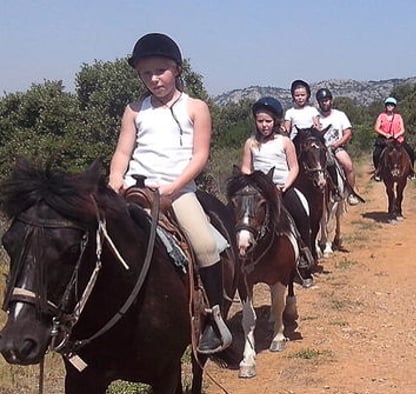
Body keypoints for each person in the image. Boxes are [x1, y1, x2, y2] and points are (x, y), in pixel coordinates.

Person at [108, 33, 232, 354]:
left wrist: (174, 187)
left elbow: (200, 156)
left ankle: (213, 320)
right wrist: (114, 179)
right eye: (146, 73)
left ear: (176, 69)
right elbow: (123, 152)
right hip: (136, 189)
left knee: (205, 246)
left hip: (177, 191)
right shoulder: (134, 110)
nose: (153, 78)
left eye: (160, 70)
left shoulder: (196, 107)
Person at [240, 96, 314, 286]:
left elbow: (294, 168)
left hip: (282, 188)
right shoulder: (250, 143)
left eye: (268, 121)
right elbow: (246, 169)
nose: (264, 125)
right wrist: (250, 185)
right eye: (260, 121)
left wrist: (285, 186)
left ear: (275, 121)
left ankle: (304, 257)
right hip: (258, 192)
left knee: (301, 214)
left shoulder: (285, 142)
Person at [315, 88, 361, 206]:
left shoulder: (340, 115)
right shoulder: (316, 118)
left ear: (331, 101)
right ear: (319, 103)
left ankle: (351, 192)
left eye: (326, 100)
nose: (325, 103)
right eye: (322, 101)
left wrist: (337, 144)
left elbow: (348, 133)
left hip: (337, 147)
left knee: (348, 165)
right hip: (321, 149)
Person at [373, 96, 416, 181]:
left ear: (394, 107)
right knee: (376, 154)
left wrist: (397, 134)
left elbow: (402, 129)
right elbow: (376, 128)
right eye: (388, 104)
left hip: (398, 140)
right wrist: (386, 134)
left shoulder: (398, 117)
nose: (390, 106)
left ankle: (411, 171)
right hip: (384, 140)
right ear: (386, 106)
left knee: (410, 151)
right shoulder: (381, 116)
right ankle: (378, 172)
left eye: (392, 105)